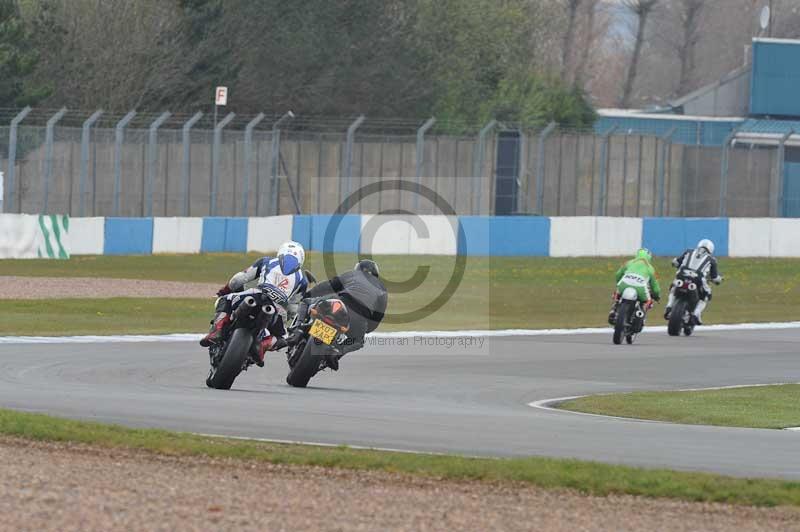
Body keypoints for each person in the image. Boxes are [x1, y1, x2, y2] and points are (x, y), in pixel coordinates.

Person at [200, 241, 308, 366]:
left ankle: (217, 331)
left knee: (224, 300)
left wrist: (223, 291)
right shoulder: (303, 280)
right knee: (283, 338)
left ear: (281, 252)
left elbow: (238, 280)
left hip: (255, 295)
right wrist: (286, 318)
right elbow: (293, 308)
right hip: (276, 311)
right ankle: (263, 345)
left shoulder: (267, 261)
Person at [290, 259, 388, 370]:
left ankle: (298, 329)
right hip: (359, 318)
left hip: (340, 303)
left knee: (306, 302)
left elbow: (329, 285)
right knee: (357, 341)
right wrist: (366, 329)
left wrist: (309, 294)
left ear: (358, 269)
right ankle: (337, 352)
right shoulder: (382, 289)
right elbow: (377, 316)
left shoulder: (353, 275)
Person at [664, 238, 723, 325]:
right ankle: (696, 314)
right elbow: (715, 277)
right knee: (707, 294)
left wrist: (674, 263)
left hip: (682, 274)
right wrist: (719, 279)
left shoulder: (689, 251)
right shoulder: (712, 259)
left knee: (674, 286)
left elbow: (676, 262)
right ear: (711, 250)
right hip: (698, 278)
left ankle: (669, 306)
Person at [608, 248, 661, 325]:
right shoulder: (651, 268)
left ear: (637, 255)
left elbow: (618, 274)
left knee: (617, 294)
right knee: (648, 302)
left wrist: (618, 284)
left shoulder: (628, 262)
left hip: (624, 282)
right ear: (649, 257)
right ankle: (641, 317)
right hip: (640, 286)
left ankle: (614, 309)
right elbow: (655, 288)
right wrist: (656, 296)